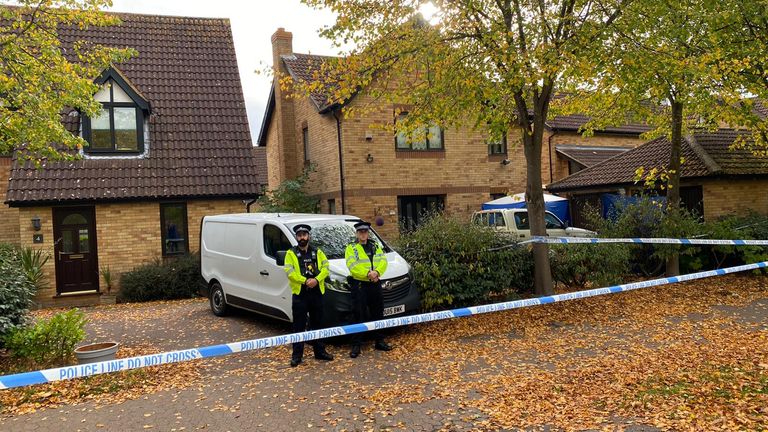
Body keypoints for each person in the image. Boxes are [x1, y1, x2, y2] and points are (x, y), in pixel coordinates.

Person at [283, 224, 334, 367]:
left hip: (316, 293)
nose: (302, 238)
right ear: (296, 237)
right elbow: (289, 272)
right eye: (299, 235)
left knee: (318, 323)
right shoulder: (290, 253)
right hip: (300, 294)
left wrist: (316, 280)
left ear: (309, 236)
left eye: (304, 235)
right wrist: (305, 281)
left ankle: (320, 352)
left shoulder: (317, 252)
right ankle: (297, 356)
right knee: (298, 326)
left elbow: (326, 268)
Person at [345, 220, 393, 358]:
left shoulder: (375, 245)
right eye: (360, 232)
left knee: (378, 312)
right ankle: (356, 344)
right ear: (357, 233)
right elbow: (353, 267)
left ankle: (379, 340)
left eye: (365, 231)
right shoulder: (351, 248)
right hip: (360, 284)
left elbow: (383, 261)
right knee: (358, 314)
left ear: (368, 233)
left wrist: (377, 272)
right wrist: (368, 274)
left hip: (375, 283)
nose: (363, 234)